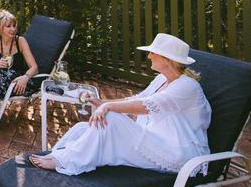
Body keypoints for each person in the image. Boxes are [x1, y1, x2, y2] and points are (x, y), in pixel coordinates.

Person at [29, 33, 211, 175]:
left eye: (152, 52)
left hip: (175, 153)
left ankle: (66, 161)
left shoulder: (187, 87)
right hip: (153, 139)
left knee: (111, 120)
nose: (148, 56)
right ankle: (60, 155)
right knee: (83, 129)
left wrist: (108, 107)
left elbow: (146, 106)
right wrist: (104, 102)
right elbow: (138, 98)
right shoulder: (162, 79)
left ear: (166, 59)